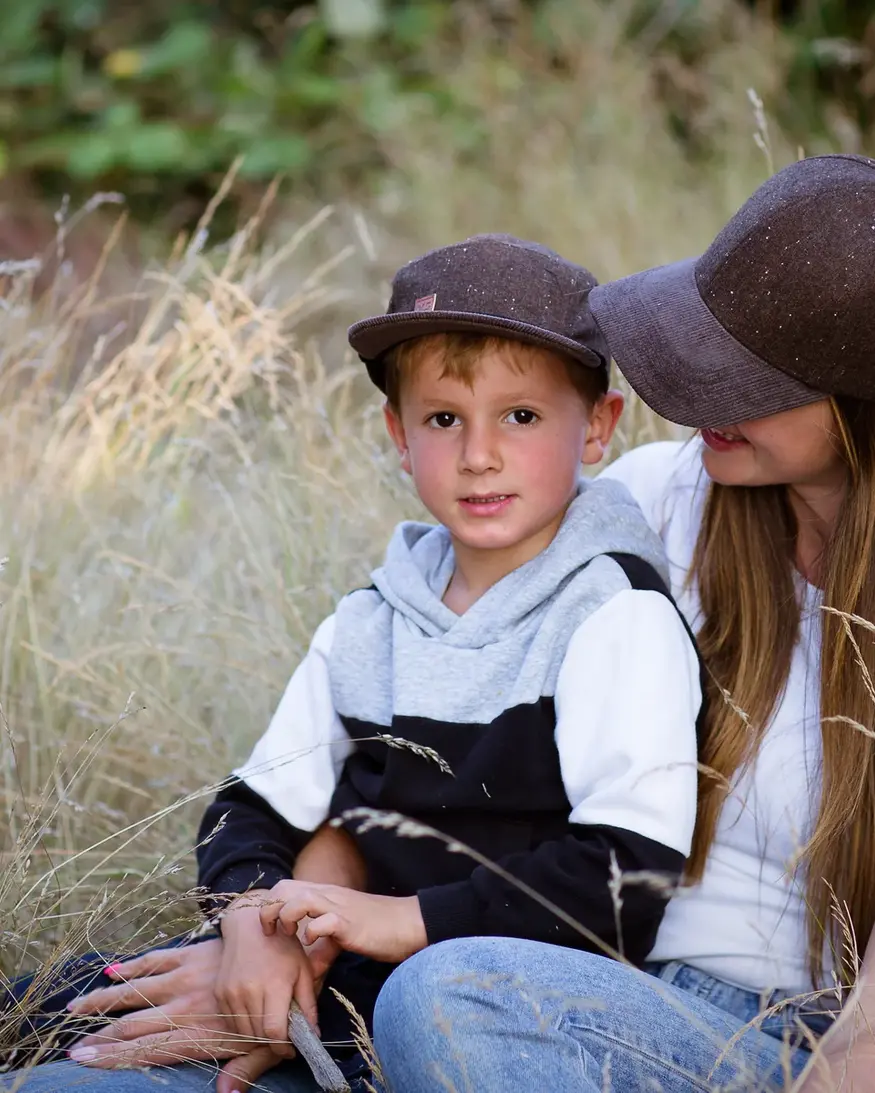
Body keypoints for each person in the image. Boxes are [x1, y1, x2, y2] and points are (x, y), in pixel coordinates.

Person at [1, 235, 702, 1092]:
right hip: (311, 975)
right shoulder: (369, 619)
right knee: (41, 1013)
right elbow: (248, 808)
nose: (478, 453)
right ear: (397, 435)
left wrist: (392, 918)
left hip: (478, 1011)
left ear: (596, 426)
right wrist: (254, 927)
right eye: (443, 419)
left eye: (520, 416)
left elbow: (623, 880)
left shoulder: (613, 615)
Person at [371, 153, 875, 1092]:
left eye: (748, 377)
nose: (693, 398)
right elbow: (419, 729)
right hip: (566, 969)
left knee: (447, 1000)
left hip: (788, 1047)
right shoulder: (651, 503)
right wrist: (279, 932)